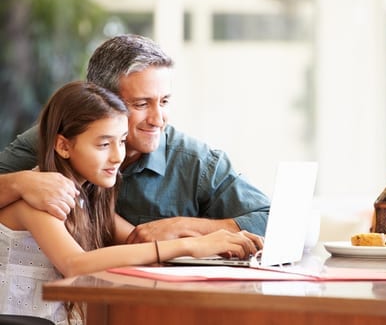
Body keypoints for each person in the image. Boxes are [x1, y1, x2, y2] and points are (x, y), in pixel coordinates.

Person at [0, 81, 263, 325]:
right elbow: (74, 264)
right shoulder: (39, 199)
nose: (117, 156)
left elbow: (136, 243)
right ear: (63, 146)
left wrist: (210, 245)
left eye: (122, 141)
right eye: (104, 144)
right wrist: (190, 245)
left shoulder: (89, 197)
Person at [0, 34, 270, 242]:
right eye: (141, 104)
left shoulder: (196, 162)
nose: (158, 119)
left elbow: (274, 221)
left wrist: (184, 227)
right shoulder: (54, 140)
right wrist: (20, 183)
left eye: (164, 101)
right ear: (101, 100)